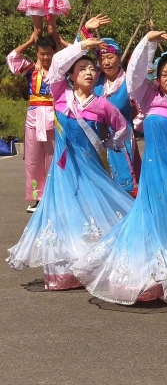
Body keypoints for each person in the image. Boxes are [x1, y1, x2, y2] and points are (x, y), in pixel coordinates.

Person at [73, 31, 167, 305]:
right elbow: (135, 73)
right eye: (164, 74)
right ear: (158, 79)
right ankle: (161, 276)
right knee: (159, 224)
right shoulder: (149, 98)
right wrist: (148, 42)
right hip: (154, 178)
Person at [6, 38, 133, 290]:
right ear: (71, 77)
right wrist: (82, 45)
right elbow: (55, 65)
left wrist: (108, 144)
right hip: (63, 171)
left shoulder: (102, 104)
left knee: (92, 215)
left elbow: (122, 128)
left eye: (91, 69)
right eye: (82, 69)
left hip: (91, 170)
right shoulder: (61, 96)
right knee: (67, 217)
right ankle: (67, 272)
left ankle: (93, 265)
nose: (88, 72)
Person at [78, 15, 140, 197]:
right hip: (96, 140)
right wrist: (85, 32)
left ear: (119, 57)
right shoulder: (95, 80)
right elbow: (72, 61)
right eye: (102, 58)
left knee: (126, 189)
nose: (106, 62)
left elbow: (142, 109)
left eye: (110, 57)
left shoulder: (130, 82)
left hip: (122, 142)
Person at [6, 32, 57, 211]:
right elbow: (12, 58)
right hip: (34, 115)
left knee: (54, 157)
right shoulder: (31, 69)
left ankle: (55, 194)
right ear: (37, 53)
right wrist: (30, 40)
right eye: (42, 53)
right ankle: (38, 197)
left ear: (54, 52)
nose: (45, 57)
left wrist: (59, 38)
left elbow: (75, 52)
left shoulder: (60, 68)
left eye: (49, 53)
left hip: (53, 114)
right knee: (33, 159)